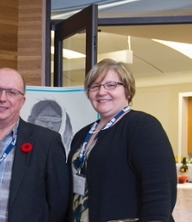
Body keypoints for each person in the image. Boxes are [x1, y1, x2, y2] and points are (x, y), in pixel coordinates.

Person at [69, 59, 176, 222]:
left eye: (111, 85)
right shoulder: (82, 134)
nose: (101, 92)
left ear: (128, 90)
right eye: (95, 86)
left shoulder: (143, 126)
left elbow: (160, 191)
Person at [0, 68, 70, 222]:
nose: (2, 98)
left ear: (22, 101)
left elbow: (58, 205)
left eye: (11, 92)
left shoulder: (47, 142)